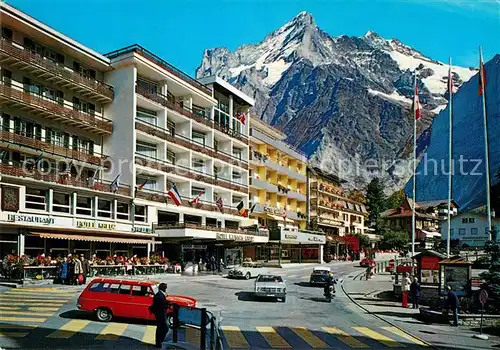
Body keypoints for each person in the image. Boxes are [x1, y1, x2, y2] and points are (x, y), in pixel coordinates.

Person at [150, 282, 169, 348]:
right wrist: (168, 305)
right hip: (160, 315)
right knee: (165, 328)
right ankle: (160, 341)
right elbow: (161, 305)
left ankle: (158, 342)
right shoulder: (159, 296)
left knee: (160, 328)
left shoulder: (160, 294)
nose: (166, 289)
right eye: (165, 288)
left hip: (160, 315)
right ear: (163, 288)